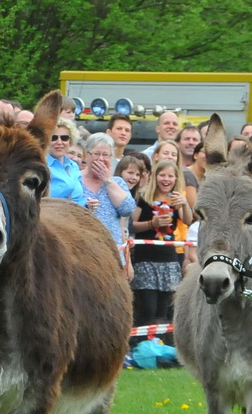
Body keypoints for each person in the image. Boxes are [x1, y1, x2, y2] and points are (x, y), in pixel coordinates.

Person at [131, 160, 189, 333]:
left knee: (165, 308)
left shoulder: (176, 199)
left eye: (170, 176)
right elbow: (132, 225)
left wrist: (185, 203)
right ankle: (142, 344)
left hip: (169, 259)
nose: (166, 179)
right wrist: (151, 223)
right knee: (148, 307)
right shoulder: (143, 197)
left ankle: (162, 345)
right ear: (155, 176)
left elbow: (188, 220)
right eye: (162, 175)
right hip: (146, 259)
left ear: (176, 178)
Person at [80, 132, 136, 259]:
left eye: (105, 155)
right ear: (86, 155)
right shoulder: (75, 179)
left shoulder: (118, 182)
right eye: (96, 154)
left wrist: (108, 180)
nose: (100, 159)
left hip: (112, 255)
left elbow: (127, 209)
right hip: (81, 253)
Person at [46, 121, 87, 205]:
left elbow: (78, 198)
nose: (59, 142)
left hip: (75, 215)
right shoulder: (42, 165)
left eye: (64, 138)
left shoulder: (74, 166)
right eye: (54, 138)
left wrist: (87, 204)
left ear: (70, 141)